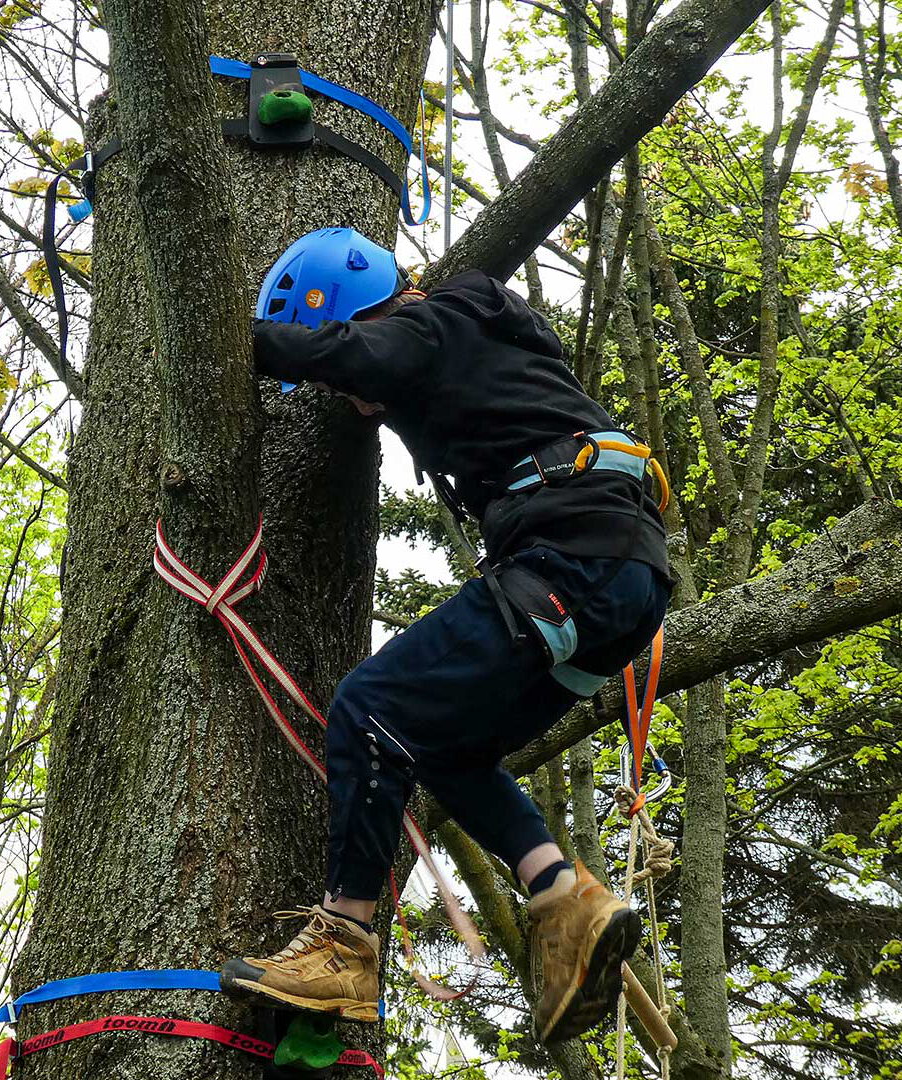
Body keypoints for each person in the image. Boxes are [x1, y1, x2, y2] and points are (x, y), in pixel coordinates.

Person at [219, 227, 672, 1043]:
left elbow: (376, 357)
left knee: (370, 704)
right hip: (610, 584)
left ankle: (342, 938)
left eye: (347, 350)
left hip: (574, 559)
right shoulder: (477, 357)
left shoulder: (449, 310)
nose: (354, 397)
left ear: (363, 314)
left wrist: (230, 339)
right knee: (448, 748)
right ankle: (562, 898)